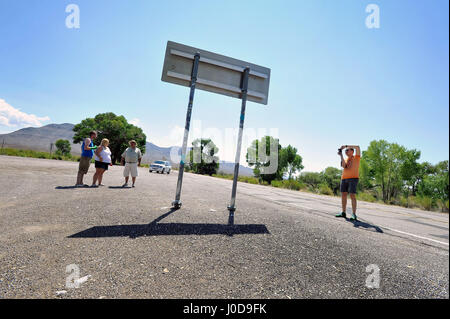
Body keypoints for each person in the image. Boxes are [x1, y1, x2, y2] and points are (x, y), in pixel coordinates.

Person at [336, 145, 361, 221]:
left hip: (353, 179)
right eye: (345, 151)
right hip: (344, 178)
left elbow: (357, 147)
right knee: (343, 194)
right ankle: (343, 212)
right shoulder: (346, 159)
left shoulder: (356, 157)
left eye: (347, 150)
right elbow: (344, 166)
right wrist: (341, 156)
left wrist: (346, 146)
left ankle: (354, 214)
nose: (346, 151)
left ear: (352, 151)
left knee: (352, 195)